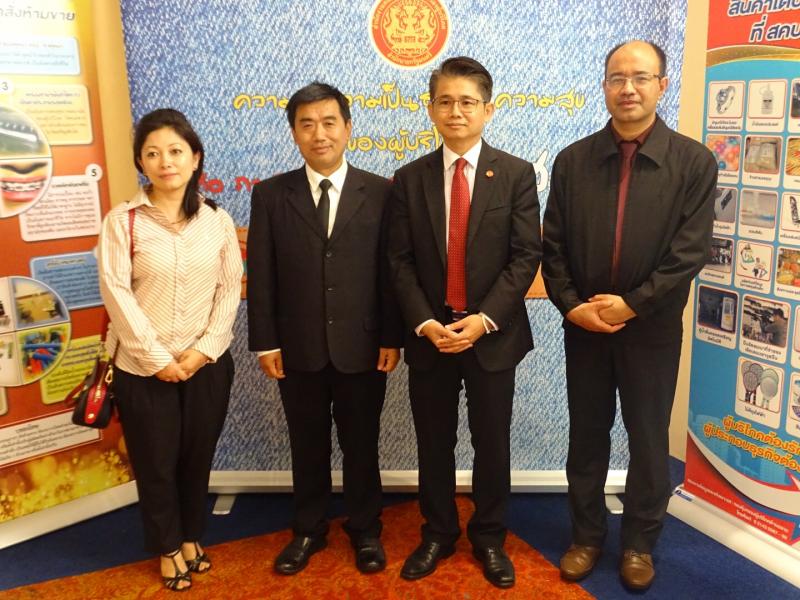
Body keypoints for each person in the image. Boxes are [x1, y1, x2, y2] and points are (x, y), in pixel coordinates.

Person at [542, 40, 717, 591]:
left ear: (662, 85)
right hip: (586, 328)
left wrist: (632, 303)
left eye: (641, 78)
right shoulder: (572, 161)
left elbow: (689, 253)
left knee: (647, 440)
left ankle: (640, 543)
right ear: (604, 86)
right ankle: (586, 536)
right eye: (617, 78)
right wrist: (573, 306)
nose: (628, 89)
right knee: (586, 437)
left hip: (652, 329)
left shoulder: (693, 162)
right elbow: (553, 248)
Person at [388, 56, 541, 589]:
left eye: (468, 102)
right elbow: (399, 261)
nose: (456, 111)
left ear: (488, 110)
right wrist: (424, 323)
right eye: (446, 101)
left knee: (491, 443)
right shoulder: (409, 179)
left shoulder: (516, 174)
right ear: (431, 109)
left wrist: (484, 320)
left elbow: (525, 256)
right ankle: (437, 532)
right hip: (431, 337)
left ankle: (490, 537)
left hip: (491, 337)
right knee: (433, 444)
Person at [247, 82, 402, 576]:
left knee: (362, 444)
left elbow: (390, 273)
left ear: (348, 128)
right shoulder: (271, 195)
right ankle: (309, 529)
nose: (320, 134)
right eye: (307, 124)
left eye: (329, 122)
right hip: (297, 347)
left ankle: (366, 529)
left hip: (363, 345)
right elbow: (262, 274)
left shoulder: (381, 192)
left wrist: (391, 337)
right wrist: (265, 342)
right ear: (294, 132)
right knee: (306, 443)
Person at [98, 108, 242, 592]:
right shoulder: (122, 222)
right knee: (156, 462)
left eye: (176, 151)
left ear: (195, 157)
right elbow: (116, 292)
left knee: (197, 457)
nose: (166, 162)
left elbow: (230, 288)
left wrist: (204, 350)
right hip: (143, 369)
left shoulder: (217, 220)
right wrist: (157, 359)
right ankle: (167, 547)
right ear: (141, 162)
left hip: (205, 365)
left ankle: (191, 536)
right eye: (153, 153)